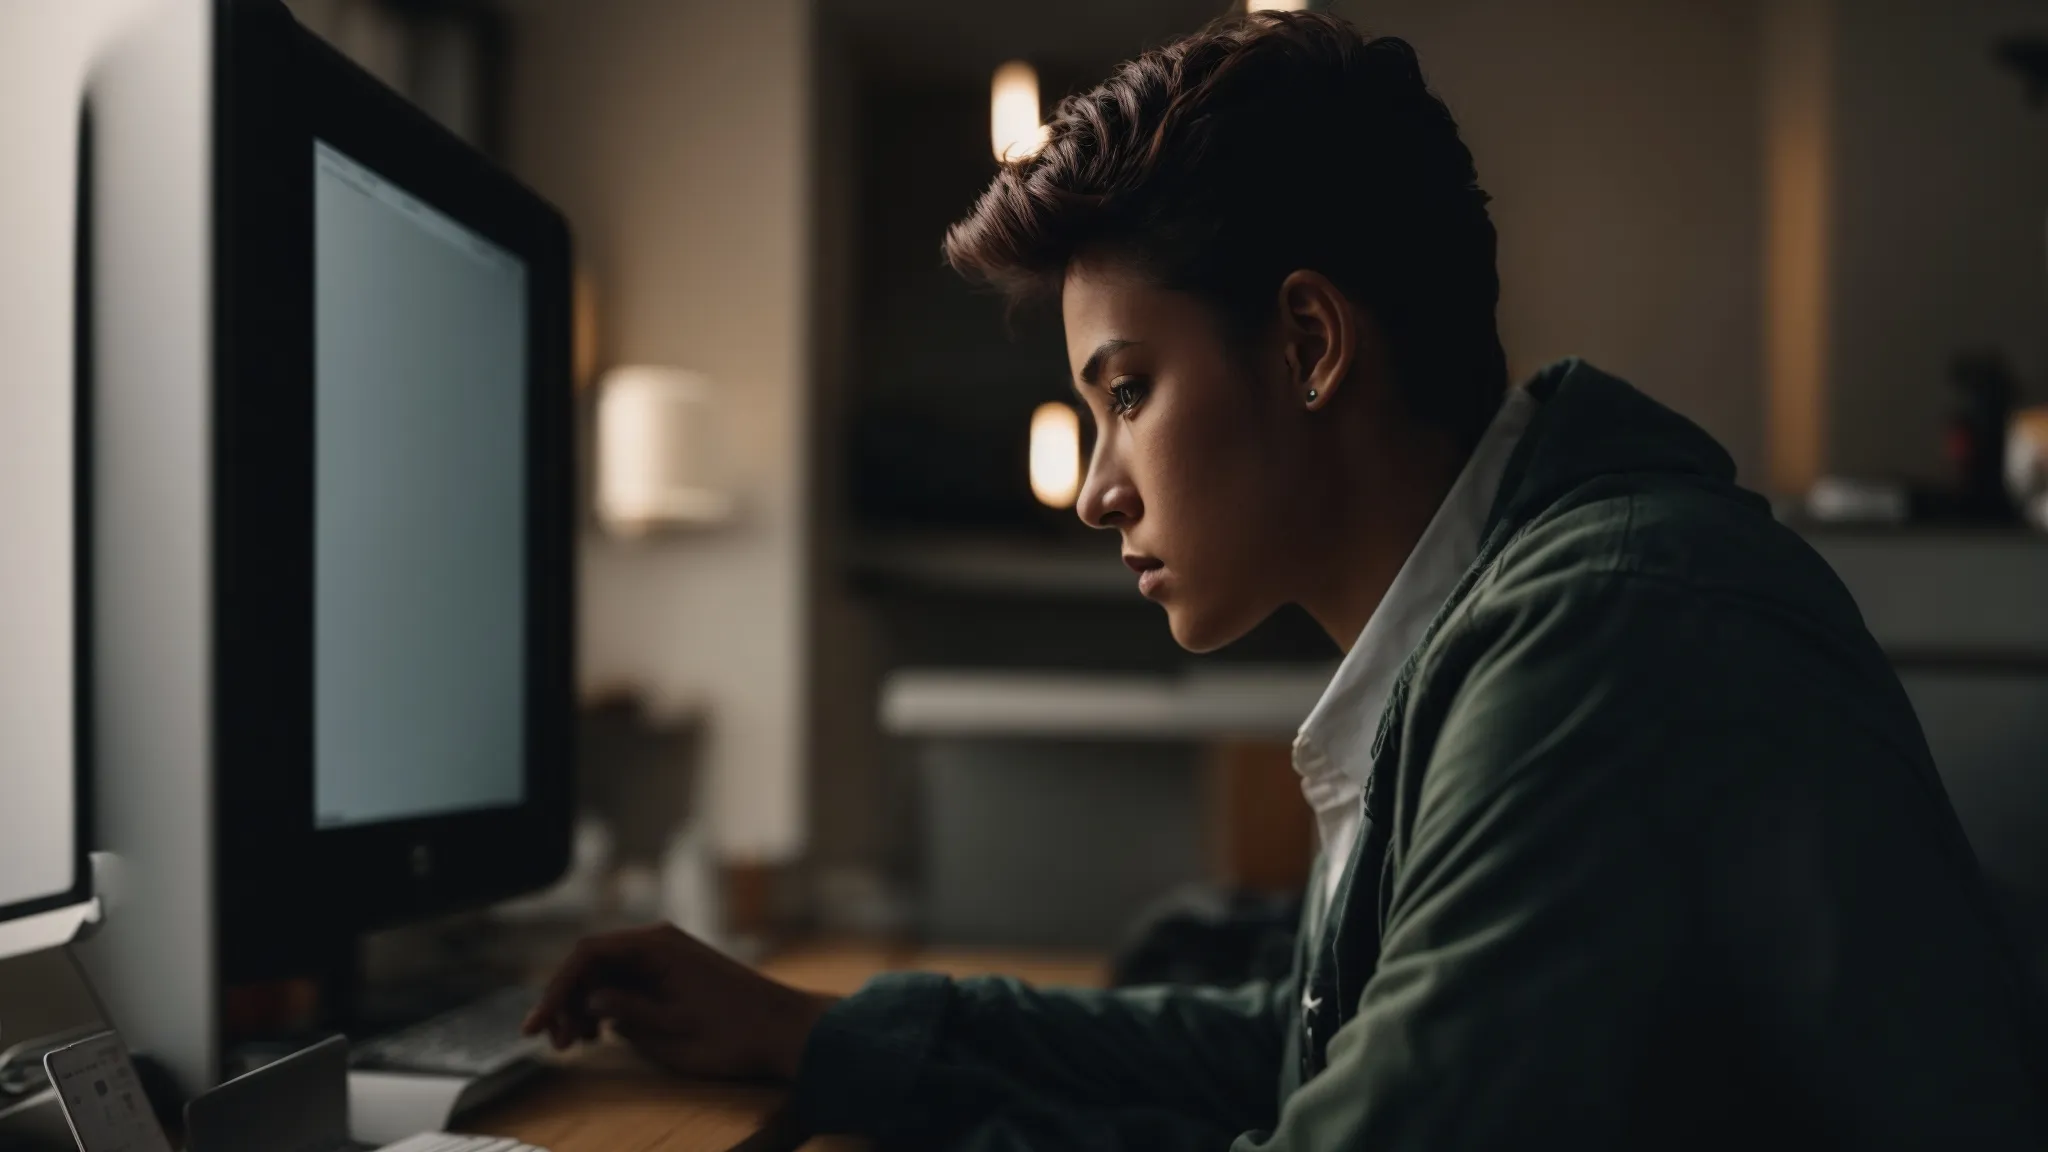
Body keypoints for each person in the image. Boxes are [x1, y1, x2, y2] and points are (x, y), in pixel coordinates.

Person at [524, 11, 2047, 1149]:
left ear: (1312, 345)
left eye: (1128, 390)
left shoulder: (1607, 632)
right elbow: (1300, 1049)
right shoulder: (1502, 617)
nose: (1101, 483)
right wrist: (823, 1035)